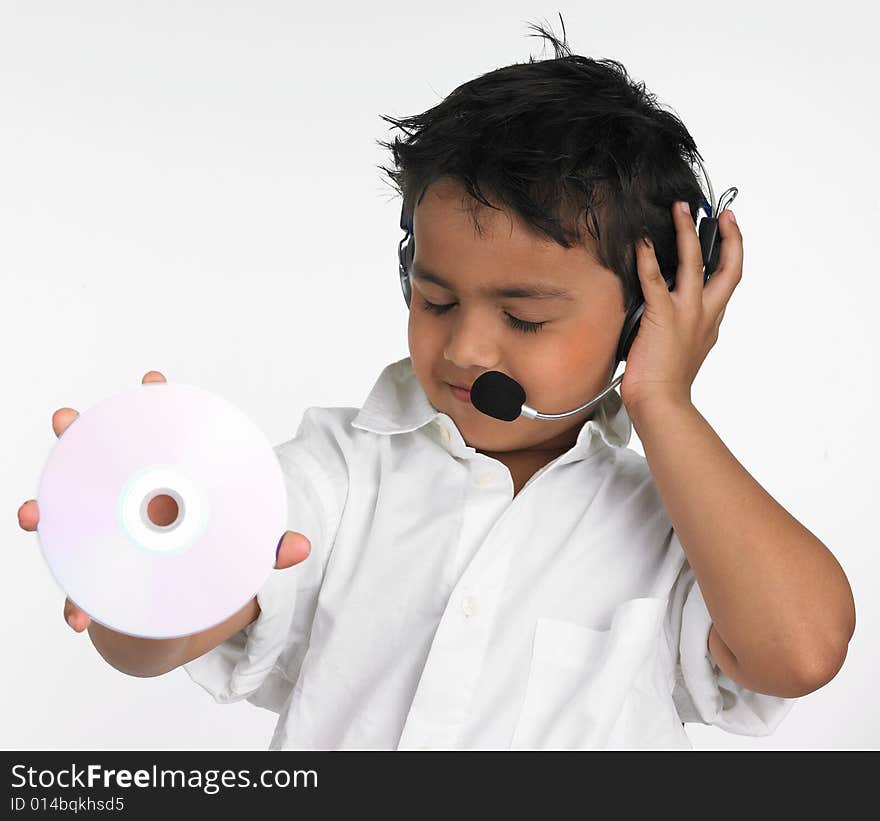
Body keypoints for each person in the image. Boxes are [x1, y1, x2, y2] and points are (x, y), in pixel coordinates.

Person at [18, 17, 855, 750]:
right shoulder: (339, 473)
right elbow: (154, 641)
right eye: (435, 297)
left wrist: (661, 399)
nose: (464, 347)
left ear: (645, 321)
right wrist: (129, 564)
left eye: (524, 317)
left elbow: (803, 651)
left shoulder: (679, 530)